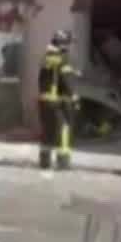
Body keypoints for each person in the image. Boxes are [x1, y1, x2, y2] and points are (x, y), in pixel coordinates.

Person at [37, 30, 78, 171]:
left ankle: (44, 161)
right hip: (57, 101)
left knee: (47, 130)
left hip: (44, 100)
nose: (69, 47)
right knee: (64, 129)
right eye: (68, 44)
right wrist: (73, 96)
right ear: (63, 43)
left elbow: (47, 77)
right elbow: (66, 80)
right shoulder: (62, 58)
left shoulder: (46, 57)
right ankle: (63, 161)